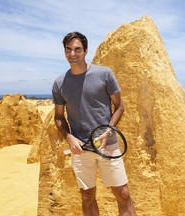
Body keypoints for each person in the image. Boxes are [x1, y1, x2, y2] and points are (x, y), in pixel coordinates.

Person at [52, 31, 136, 216]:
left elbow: (120, 106)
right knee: (87, 196)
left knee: (123, 194)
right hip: (80, 149)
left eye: (77, 49)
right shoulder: (59, 83)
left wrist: (108, 130)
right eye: (68, 49)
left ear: (85, 51)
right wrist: (69, 138)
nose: (72, 54)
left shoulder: (104, 74)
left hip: (108, 144)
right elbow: (59, 117)